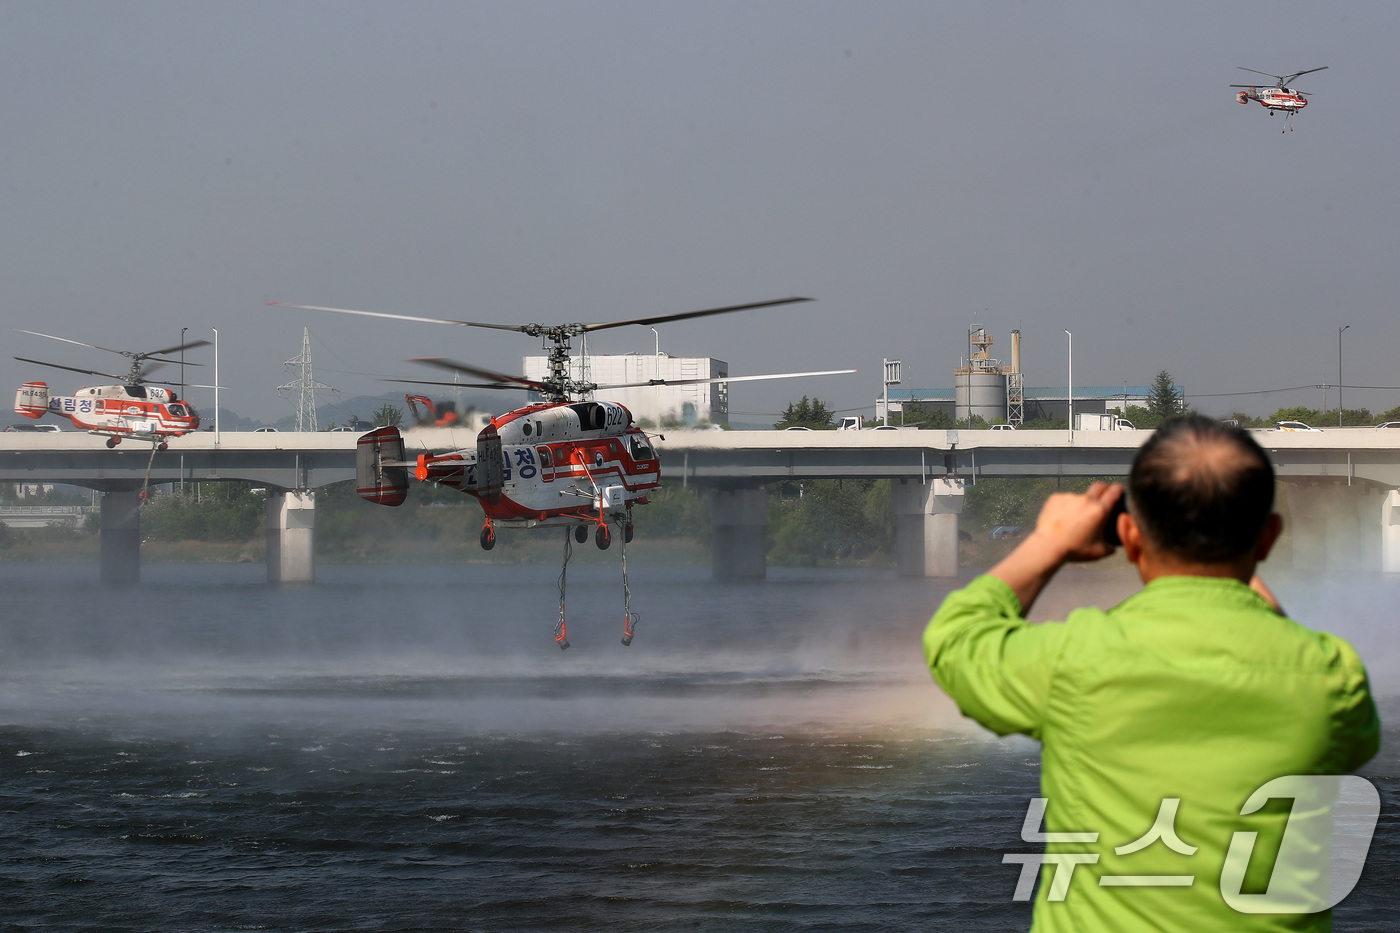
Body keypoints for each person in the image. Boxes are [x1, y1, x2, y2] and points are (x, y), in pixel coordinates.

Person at [924, 415, 1379, 931]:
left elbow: (954, 639)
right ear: (1269, 537)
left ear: (1129, 535)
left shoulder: (1078, 660)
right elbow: (1350, 738)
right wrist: (1237, 565)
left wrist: (1049, 542)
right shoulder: (1331, 676)